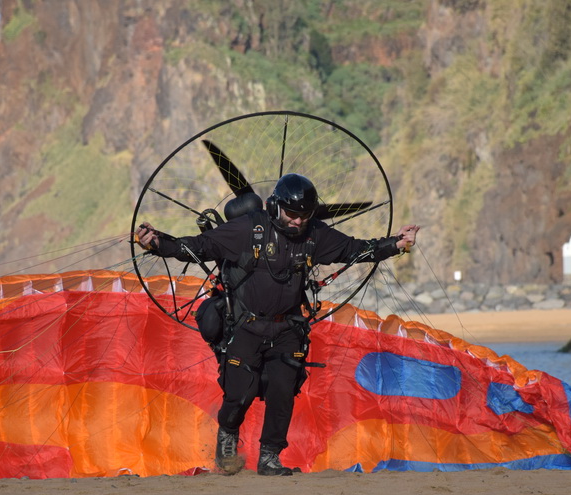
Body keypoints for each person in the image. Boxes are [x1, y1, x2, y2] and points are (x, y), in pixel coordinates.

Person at [134, 173, 418, 476]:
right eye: (292, 214)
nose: (297, 221)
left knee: (283, 391)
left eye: (304, 216)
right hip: (245, 326)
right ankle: (228, 434)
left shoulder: (315, 235)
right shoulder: (248, 229)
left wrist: (396, 244)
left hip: (288, 328)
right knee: (239, 393)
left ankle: (270, 457)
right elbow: (197, 246)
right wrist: (157, 242)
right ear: (275, 207)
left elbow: (354, 249)